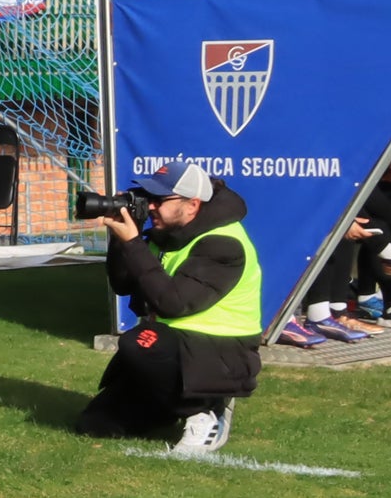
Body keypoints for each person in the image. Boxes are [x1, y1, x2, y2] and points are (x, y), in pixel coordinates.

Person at [76, 163, 261, 454]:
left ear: (192, 205)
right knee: (97, 423)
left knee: (138, 343)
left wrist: (134, 244)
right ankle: (170, 406)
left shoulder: (223, 243)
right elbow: (124, 284)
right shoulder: (167, 235)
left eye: (160, 200)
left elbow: (173, 303)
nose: (150, 206)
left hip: (220, 354)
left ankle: (206, 409)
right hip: (172, 349)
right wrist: (121, 239)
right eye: (147, 196)